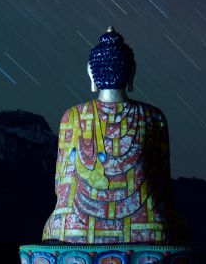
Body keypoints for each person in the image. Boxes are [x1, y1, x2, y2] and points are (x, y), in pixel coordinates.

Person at [41, 27, 188, 245]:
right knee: (173, 226)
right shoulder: (153, 117)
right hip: (149, 226)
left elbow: (62, 187)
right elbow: (163, 188)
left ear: (91, 73)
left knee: (56, 228)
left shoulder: (72, 116)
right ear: (132, 72)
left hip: (76, 227)